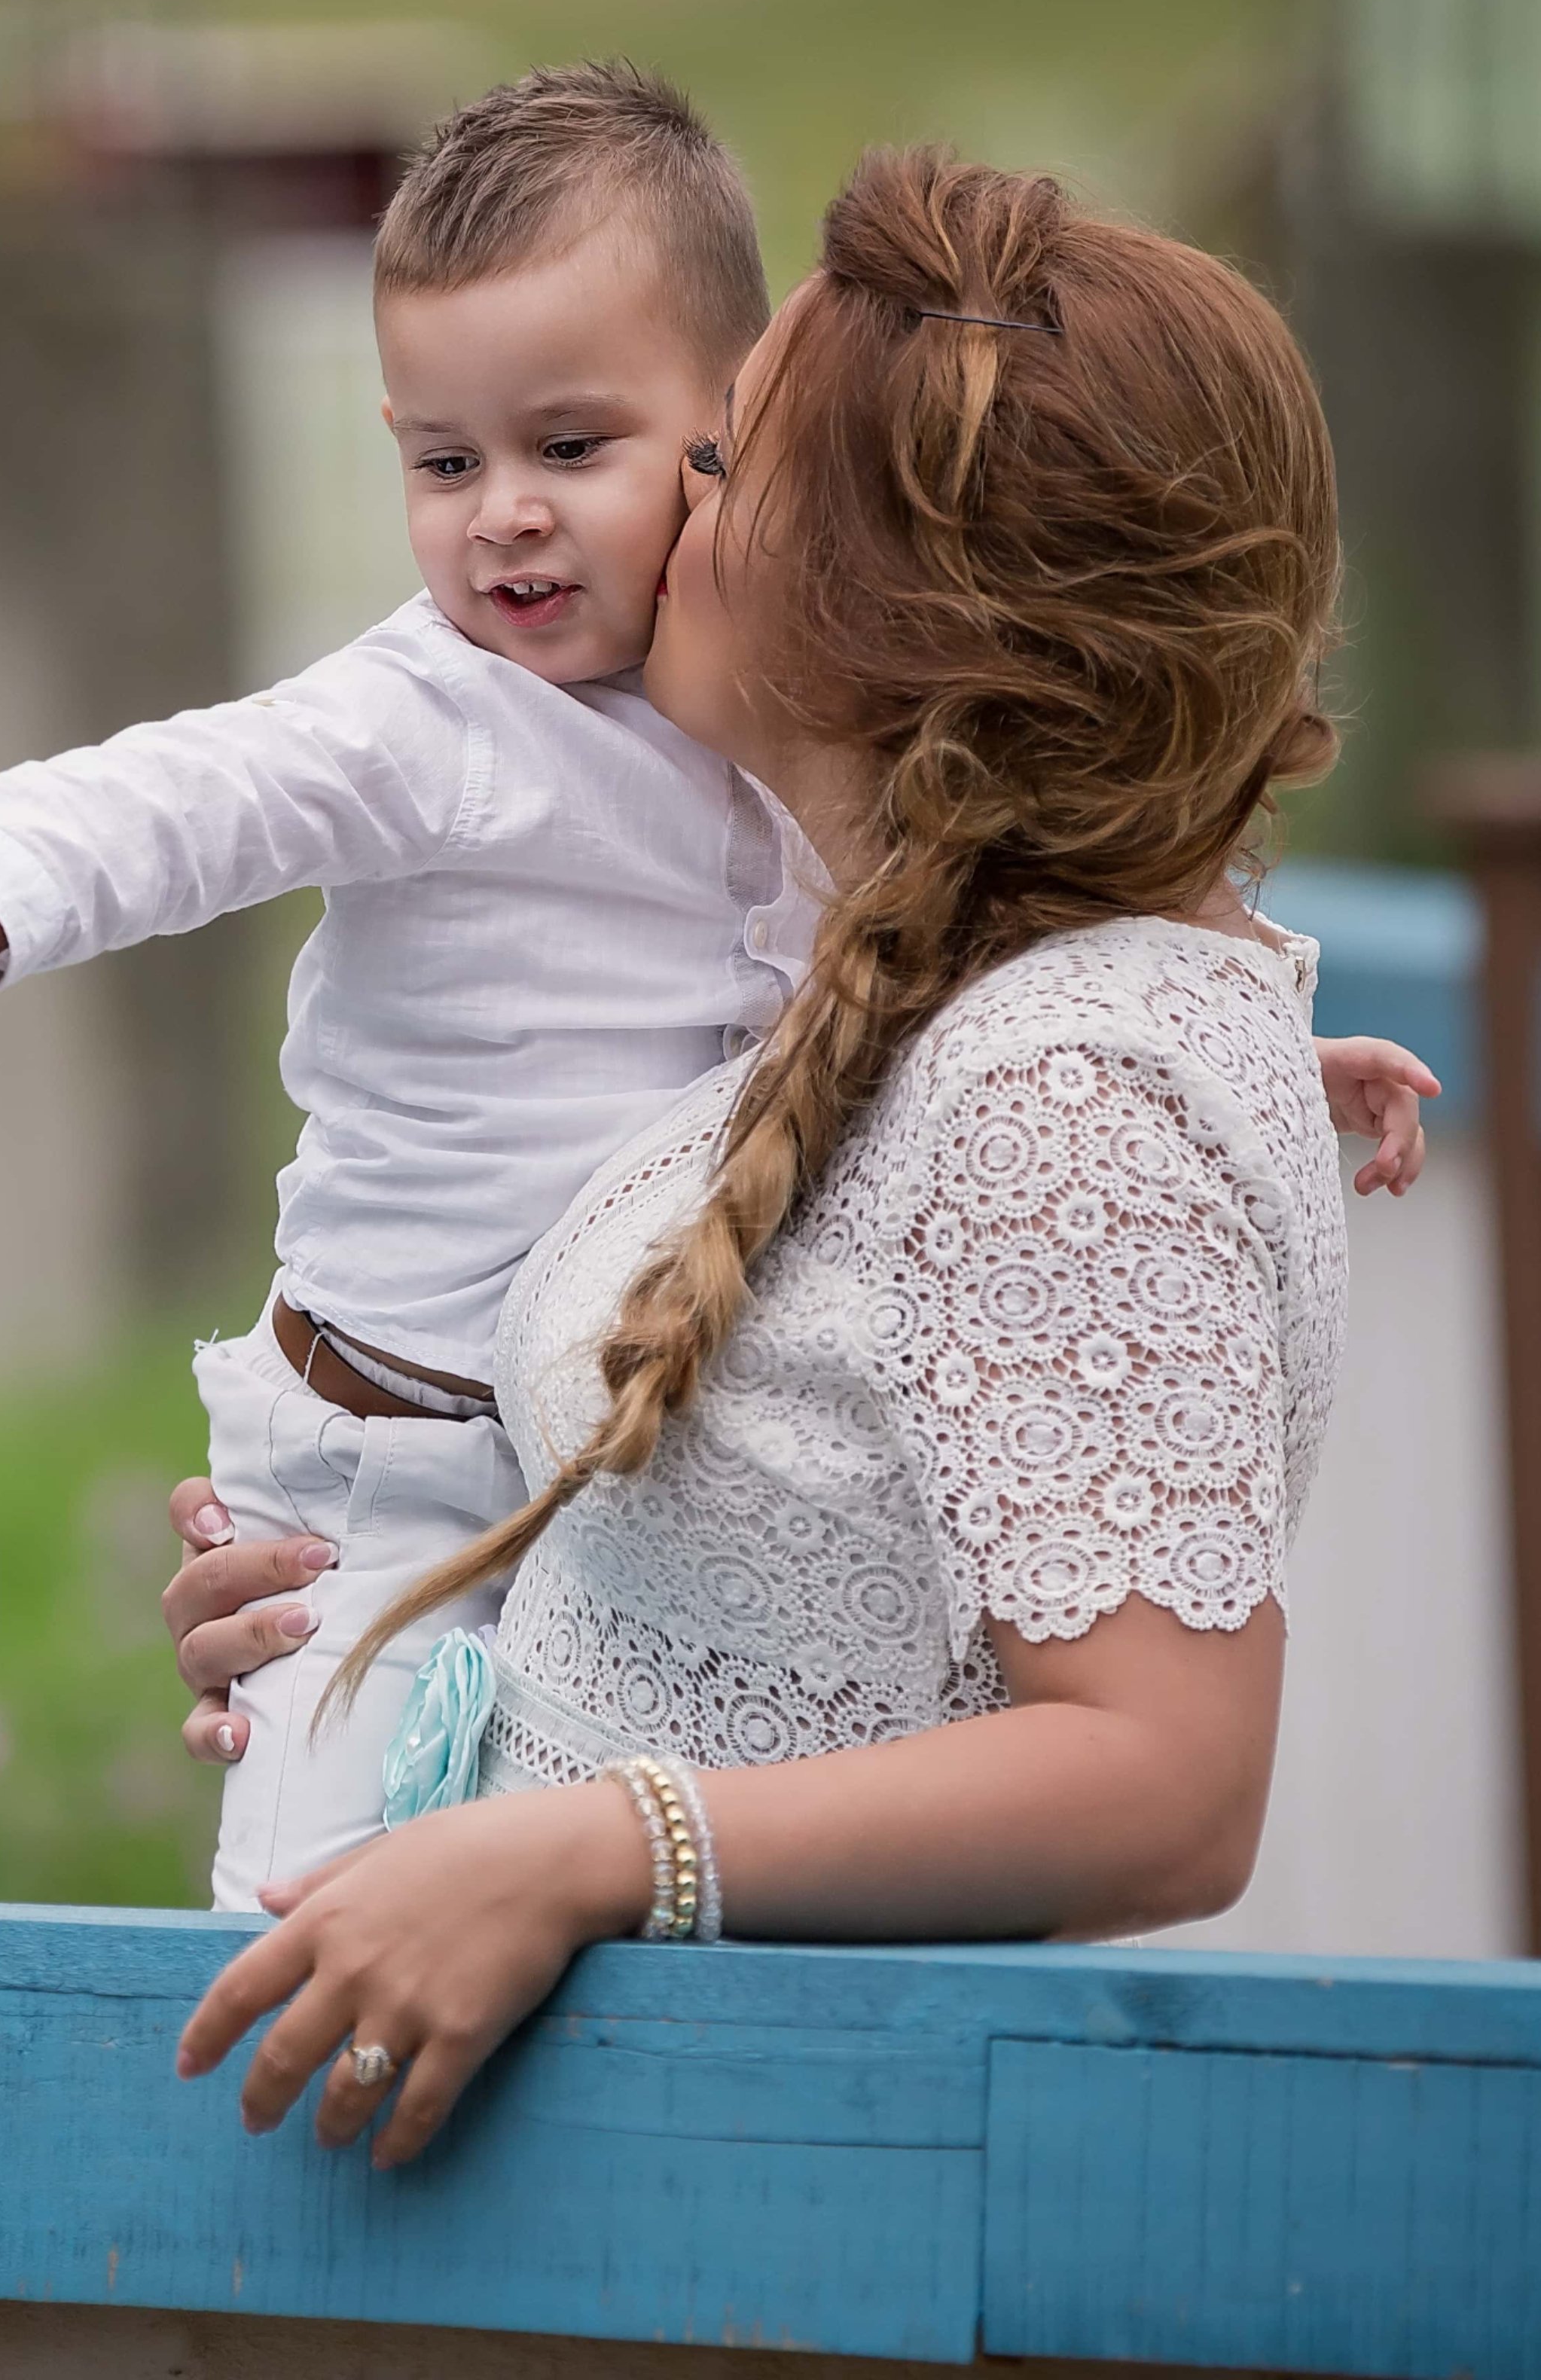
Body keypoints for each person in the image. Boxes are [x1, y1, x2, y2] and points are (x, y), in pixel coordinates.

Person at [0, 66, 1430, 1913]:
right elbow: (189, 789)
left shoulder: (1040, 1065)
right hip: (393, 1437)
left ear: (872, 594)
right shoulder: (451, 716)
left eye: (681, 457)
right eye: (442, 461)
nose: (514, 522)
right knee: (300, 1917)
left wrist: (1253, 1063)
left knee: (320, 1941)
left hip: (636, 1833)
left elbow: (1024, 1095)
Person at [171, 146, 1385, 2170]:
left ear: (879, 612)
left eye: (721, 463)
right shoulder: (900, 1004)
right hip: (596, 2148)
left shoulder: (1064, 1093)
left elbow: (1169, 1786)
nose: (658, 518)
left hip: (783, 2183)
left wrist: (577, 1855)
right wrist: (366, 1598)